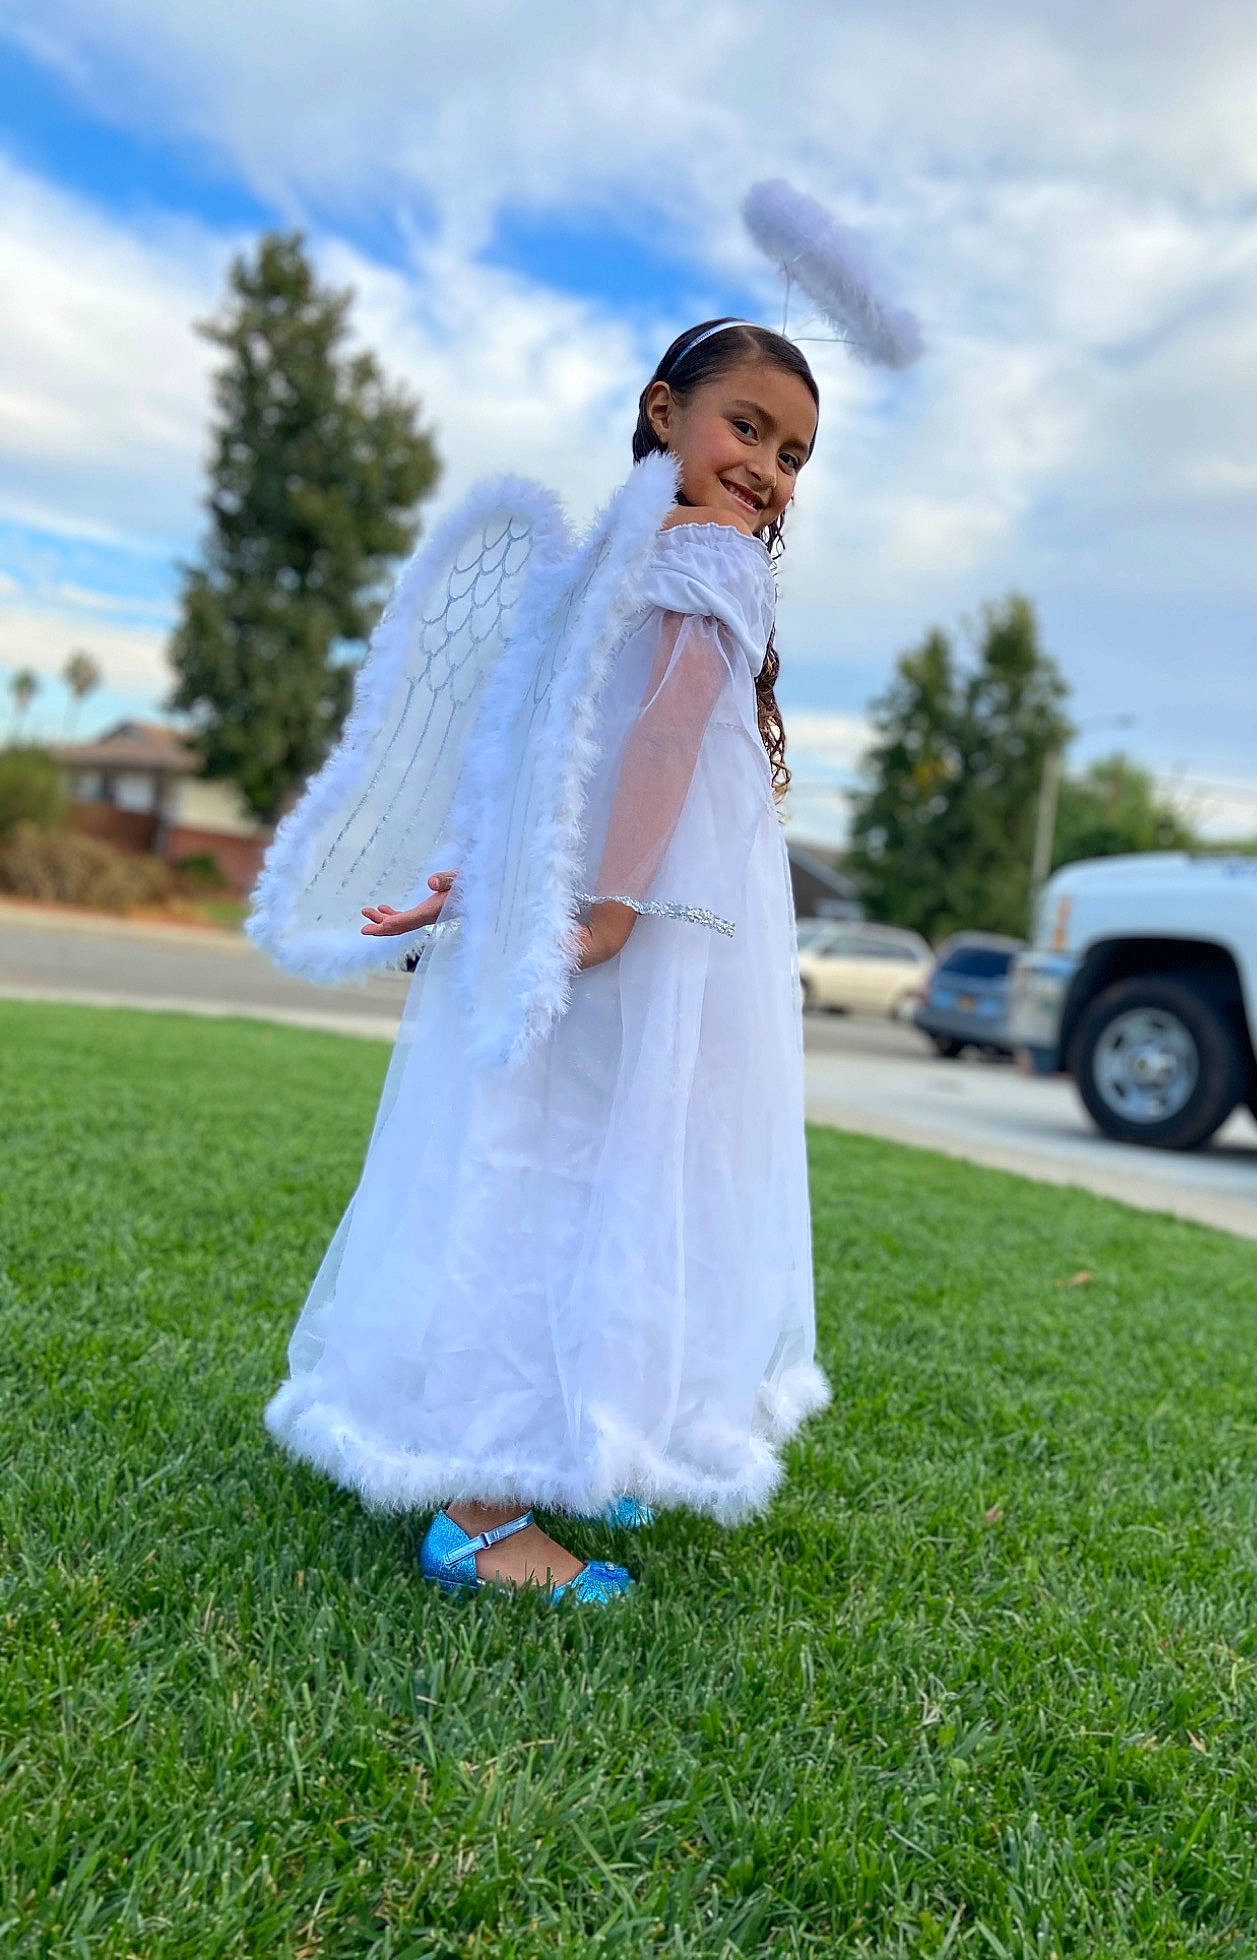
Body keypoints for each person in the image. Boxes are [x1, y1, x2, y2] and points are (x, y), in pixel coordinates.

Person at [258, 320, 830, 1604]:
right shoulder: (667, 559)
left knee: (600, 1159)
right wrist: (591, 899)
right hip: (618, 921)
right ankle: (477, 1513)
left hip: (620, 918)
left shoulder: (642, 560)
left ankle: (571, 1427)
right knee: (549, 1164)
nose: (771, 471)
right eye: (748, 426)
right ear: (664, 407)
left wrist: (538, 887)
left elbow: (614, 737)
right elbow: (647, 740)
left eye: (794, 454)